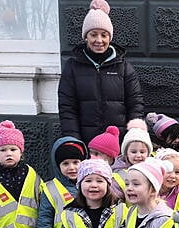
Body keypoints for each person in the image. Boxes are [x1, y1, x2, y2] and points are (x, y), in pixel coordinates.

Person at [58, 0, 144, 144]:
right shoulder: (72, 67)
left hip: (118, 144)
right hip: (87, 144)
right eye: (93, 34)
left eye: (104, 35)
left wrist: (132, 139)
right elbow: (68, 109)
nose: (99, 40)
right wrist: (75, 142)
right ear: (86, 37)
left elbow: (135, 105)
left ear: (109, 37)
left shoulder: (123, 67)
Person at [111, 127, 153, 201]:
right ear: (126, 153)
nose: (138, 155)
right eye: (133, 152)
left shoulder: (153, 170)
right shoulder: (118, 173)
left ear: (148, 154)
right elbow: (114, 197)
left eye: (142, 152)